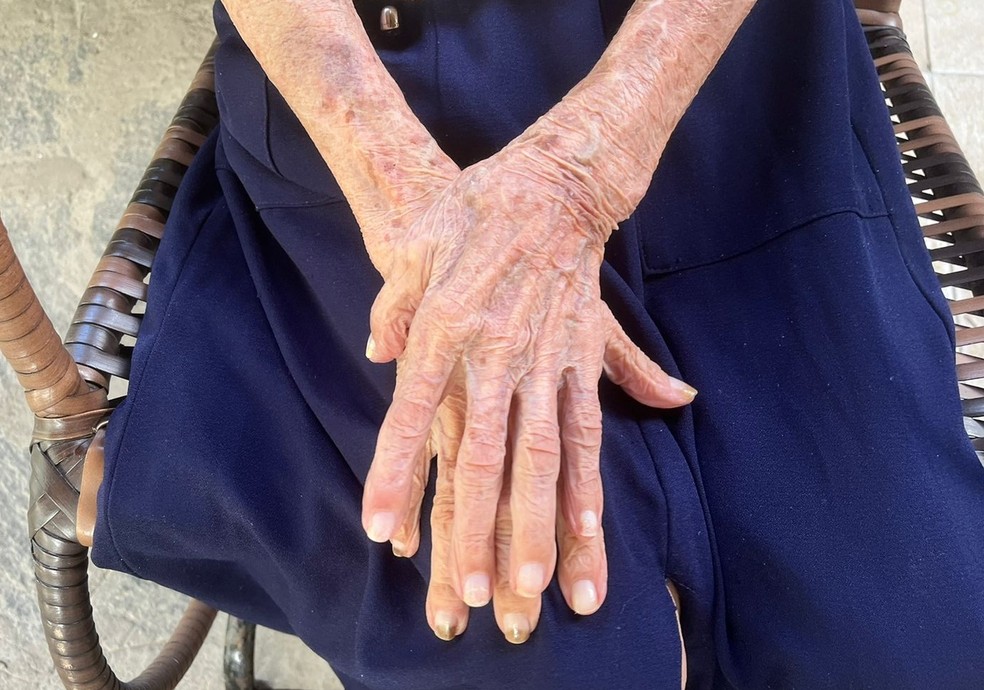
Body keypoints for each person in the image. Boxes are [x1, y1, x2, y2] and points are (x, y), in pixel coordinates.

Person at [88, 0, 984, 687]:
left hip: (711, 65)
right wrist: (412, 211)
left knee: (904, 633)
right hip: (373, 100)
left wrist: (578, 176)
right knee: (553, 647)